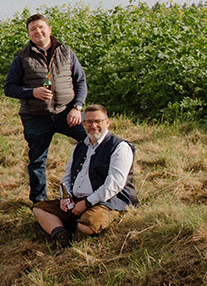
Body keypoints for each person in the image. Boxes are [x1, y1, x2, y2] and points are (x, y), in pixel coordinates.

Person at [3, 14, 89, 203]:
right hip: (35, 116)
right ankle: (39, 203)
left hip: (67, 113)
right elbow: (9, 88)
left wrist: (77, 107)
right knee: (37, 161)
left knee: (91, 142)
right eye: (33, 29)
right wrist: (32, 92)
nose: (38, 31)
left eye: (41, 27)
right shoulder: (21, 57)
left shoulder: (66, 52)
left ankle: (85, 191)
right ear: (28, 34)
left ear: (49, 30)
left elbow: (80, 81)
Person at [33, 105, 137, 247]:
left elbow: (114, 185)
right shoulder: (80, 146)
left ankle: (78, 223)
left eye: (98, 121)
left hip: (108, 202)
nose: (93, 126)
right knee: (39, 209)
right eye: (89, 122)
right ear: (83, 124)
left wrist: (87, 203)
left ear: (107, 123)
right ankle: (61, 234)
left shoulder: (120, 147)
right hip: (77, 201)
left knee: (87, 226)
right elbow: (67, 176)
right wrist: (66, 197)